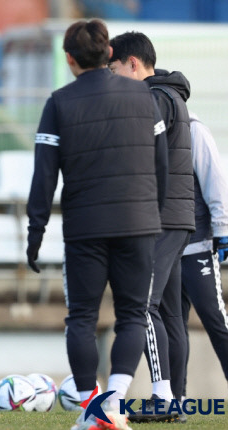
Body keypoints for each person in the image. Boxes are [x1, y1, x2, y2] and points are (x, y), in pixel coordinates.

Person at [26, 19, 169, 430]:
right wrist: (152, 213)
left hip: (86, 227)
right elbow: (162, 164)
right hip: (139, 223)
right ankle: (112, 404)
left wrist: (35, 234)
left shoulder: (59, 102)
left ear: (69, 59)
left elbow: (44, 177)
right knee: (133, 315)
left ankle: (96, 409)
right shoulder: (146, 96)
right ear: (108, 54)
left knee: (83, 318)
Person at [109, 31, 195, 422]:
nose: (111, 79)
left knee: (141, 306)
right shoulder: (170, 96)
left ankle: (163, 398)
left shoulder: (154, 99)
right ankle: (175, 400)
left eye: (113, 70)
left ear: (132, 64)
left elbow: (138, 156)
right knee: (170, 314)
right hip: (176, 217)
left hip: (160, 218)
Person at [180, 112, 228, 398]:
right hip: (162, 250)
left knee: (216, 320)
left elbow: (214, 178)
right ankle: (174, 400)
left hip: (197, 245)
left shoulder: (193, 129)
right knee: (173, 327)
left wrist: (222, 228)